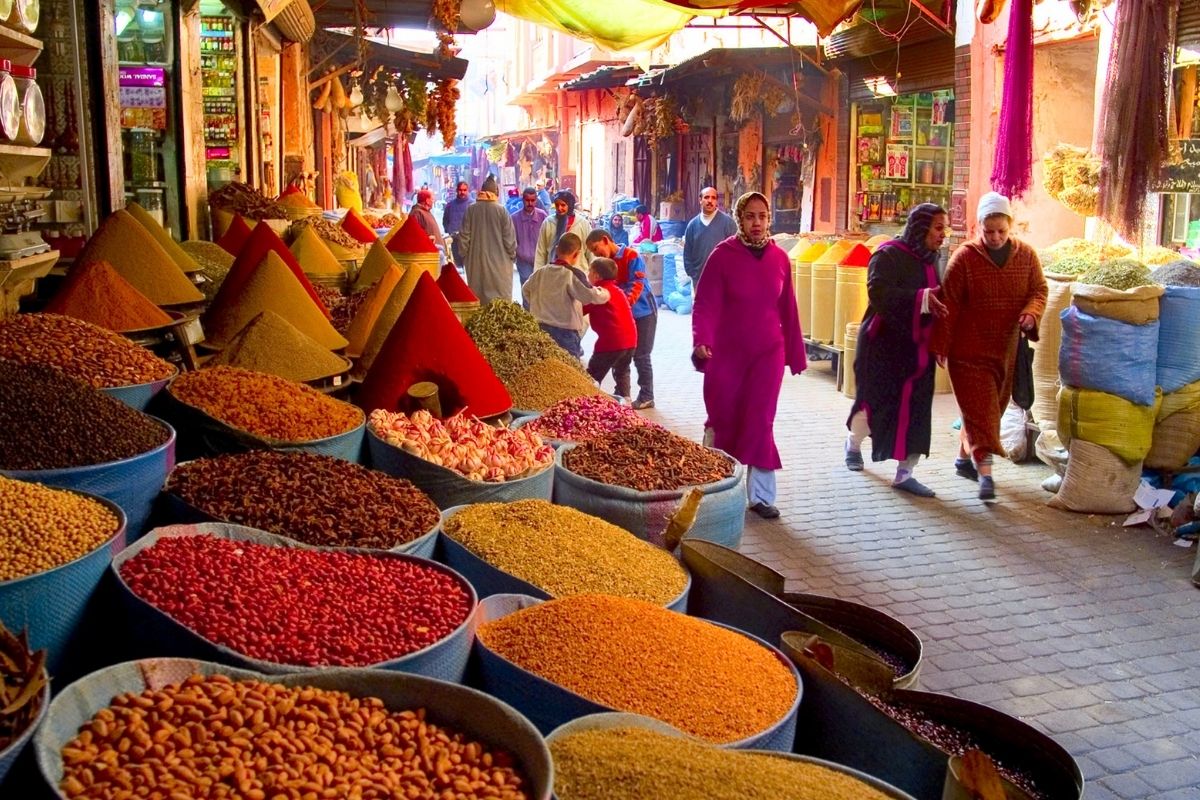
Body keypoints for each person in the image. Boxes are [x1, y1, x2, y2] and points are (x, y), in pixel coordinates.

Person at [692, 192, 806, 519]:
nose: (757, 223)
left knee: (760, 420)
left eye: (762, 216)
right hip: (726, 355)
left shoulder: (779, 259)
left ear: (769, 220)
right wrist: (703, 340)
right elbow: (706, 305)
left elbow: (789, 309)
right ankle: (714, 486)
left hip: (768, 354)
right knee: (724, 417)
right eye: (750, 216)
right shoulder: (722, 256)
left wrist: (795, 354)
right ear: (740, 219)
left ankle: (760, 496)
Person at [931, 192, 1047, 501]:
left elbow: (1039, 289)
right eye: (988, 231)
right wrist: (941, 344)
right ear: (978, 227)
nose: (995, 237)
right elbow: (948, 304)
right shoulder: (965, 259)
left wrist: (1031, 313)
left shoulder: (1026, 257)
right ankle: (986, 475)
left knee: (987, 410)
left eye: (1001, 231)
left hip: (1004, 351)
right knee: (982, 413)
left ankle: (962, 459)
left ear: (1011, 228)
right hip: (967, 354)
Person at [844, 204, 950, 498]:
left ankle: (905, 474)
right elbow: (878, 294)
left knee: (916, 412)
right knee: (876, 405)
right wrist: (922, 298)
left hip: (917, 351)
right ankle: (853, 444)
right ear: (921, 228)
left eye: (945, 228)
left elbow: (939, 303)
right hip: (883, 347)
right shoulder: (887, 254)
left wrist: (941, 342)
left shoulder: (931, 261)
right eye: (938, 228)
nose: (943, 235)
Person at [586, 229, 656, 409]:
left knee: (641, 355)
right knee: (622, 358)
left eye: (596, 249)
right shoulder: (606, 264)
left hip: (644, 312)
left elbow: (636, 285)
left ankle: (647, 395)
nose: (596, 254)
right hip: (627, 315)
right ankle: (622, 395)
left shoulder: (631, 255)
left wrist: (621, 305)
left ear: (605, 240)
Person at [523, 233, 609, 358]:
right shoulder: (573, 274)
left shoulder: (541, 272)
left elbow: (526, 290)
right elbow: (591, 296)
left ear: (557, 249)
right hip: (565, 335)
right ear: (577, 254)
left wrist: (538, 306)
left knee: (544, 366)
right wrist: (606, 293)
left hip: (540, 329)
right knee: (568, 372)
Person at [582, 257, 637, 400]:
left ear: (596, 276)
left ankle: (588, 404)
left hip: (611, 343)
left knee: (592, 376)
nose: (588, 275)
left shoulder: (599, 293)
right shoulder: (617, 291)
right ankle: (626, 403)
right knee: (622, 372)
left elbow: (581, 309)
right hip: (630, 341)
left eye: (589, 272)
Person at [458, 175, 517, 306]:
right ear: (495, 192)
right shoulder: (502, 211)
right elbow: (510, 240)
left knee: (479, 304)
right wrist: (512, 257)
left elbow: (464, 238)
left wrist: (465, 256)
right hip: (500, 266)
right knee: (500, 306)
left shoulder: (471, 210)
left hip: (475, 263)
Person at [683, 187, 738, 285]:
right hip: (699, 281)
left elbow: (737, 253)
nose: (710, 201)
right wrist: (693, 275)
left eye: (713, 198)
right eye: (706, 197)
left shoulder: (728, 223)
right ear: (700, 200)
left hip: (722, 282)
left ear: (716, 201)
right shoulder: (692, 225)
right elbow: (687, 254)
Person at [535, 190, 592, 270]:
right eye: (557, 205)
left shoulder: (583, 224)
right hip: (553, 272)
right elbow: (541, 251)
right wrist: (538, 274)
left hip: (578, 274)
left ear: (570, 205)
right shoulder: (548, 223)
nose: (559, 208)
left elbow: (590, 252)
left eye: (563, 205)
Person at [512, 187, 547, 305]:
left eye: (533, 200)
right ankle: (528, 317)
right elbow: (512, 240)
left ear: (536, 200)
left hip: (540, 259)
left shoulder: (542, 216)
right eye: (527, 200)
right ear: (523, 200)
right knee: (526, 287)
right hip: (523, 260)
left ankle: (539, 317)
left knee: (540, 288)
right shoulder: (515, 218)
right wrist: (517, 253)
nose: (530, 203)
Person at [442, 181, 472, 264]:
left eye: (464, 190)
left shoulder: (473, 205)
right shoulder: (450, 205)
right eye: (460, 190)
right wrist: (449, 230)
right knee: (458, 264)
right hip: (455, 240)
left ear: (467, 190)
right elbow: (445, 220)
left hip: (469, 241)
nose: (462, 192)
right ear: (456, 190)